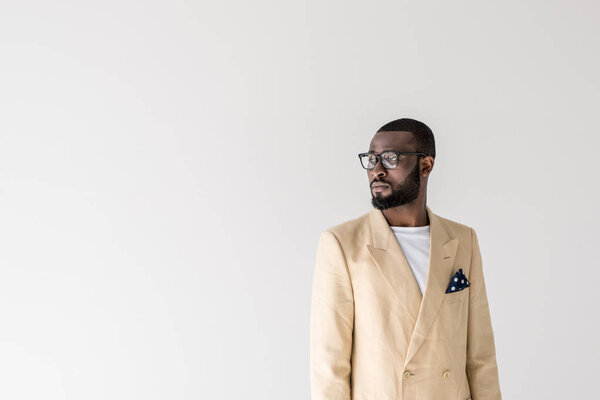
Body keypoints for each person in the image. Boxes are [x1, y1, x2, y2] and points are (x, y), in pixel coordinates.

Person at [310, 118, 501, 400]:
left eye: (389, 158)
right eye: (371, 159)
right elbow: (330, 366)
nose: (376, 170)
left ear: (425, 165)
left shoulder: (463, 240)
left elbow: (481, 356)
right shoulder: (342, 244)